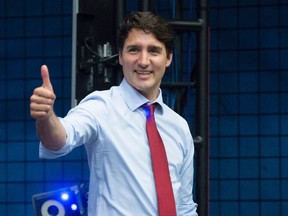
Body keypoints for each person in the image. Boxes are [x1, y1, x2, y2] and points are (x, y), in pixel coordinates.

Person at [30, 11, 198, 216]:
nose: (143, 61)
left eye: (154, 51)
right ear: (120, 56)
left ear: (168, 58)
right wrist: (46, 117)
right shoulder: (101, 107)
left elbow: (184, 207)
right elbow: (60, 140)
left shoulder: (179, 126)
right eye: (134, 50)